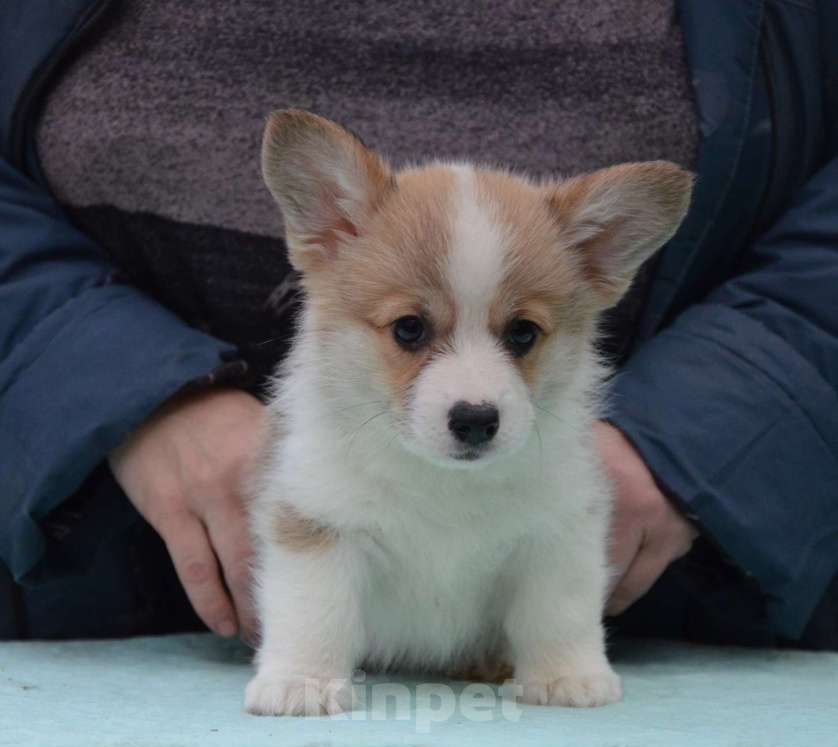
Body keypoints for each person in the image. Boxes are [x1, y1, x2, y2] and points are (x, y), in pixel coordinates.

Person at [1, 0, 836, 650]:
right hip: (101, 588)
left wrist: (716, 422)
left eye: (518, 336)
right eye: (411, 331)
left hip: (680, 608)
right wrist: (113, 384)